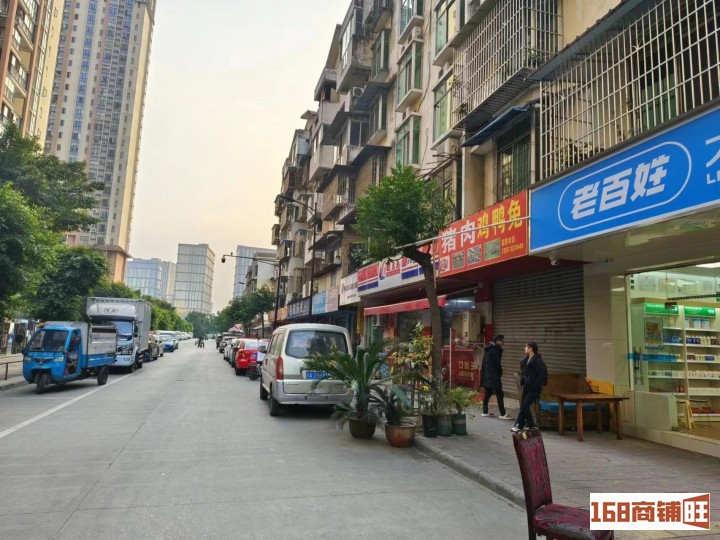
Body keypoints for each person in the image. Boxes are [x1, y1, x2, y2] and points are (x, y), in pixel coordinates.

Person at [512, 340, 548, 432]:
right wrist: (523, 380)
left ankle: (521, 425)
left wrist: (536, 384)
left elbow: (542, 375)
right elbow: (524, 373)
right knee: (524, 406)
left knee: (525, 405)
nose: (524, 348)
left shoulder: (538, 361)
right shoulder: (526, 360)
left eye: (526, 347)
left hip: (534, 388)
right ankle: (527, 425)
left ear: (531, 348)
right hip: (526, 386)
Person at [480, 335, 513, 420]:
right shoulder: (495, 350)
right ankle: (503, 414)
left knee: (488, 392)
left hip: (487, 375)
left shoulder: (488, 348)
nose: (503, 343)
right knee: (499, 393)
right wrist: (500, 371)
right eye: (502, 341)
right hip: (493, 376)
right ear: (498, 341)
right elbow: (497, 364)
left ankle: (485, 412)